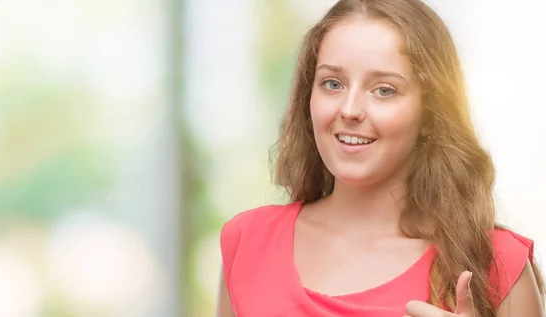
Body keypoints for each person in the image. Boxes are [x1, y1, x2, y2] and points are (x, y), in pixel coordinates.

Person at [216, 0, 545, 316]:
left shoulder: (497, 264)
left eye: (384, 90)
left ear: (431, 113)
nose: (349, 110)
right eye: (332, 83)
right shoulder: (247, 242)